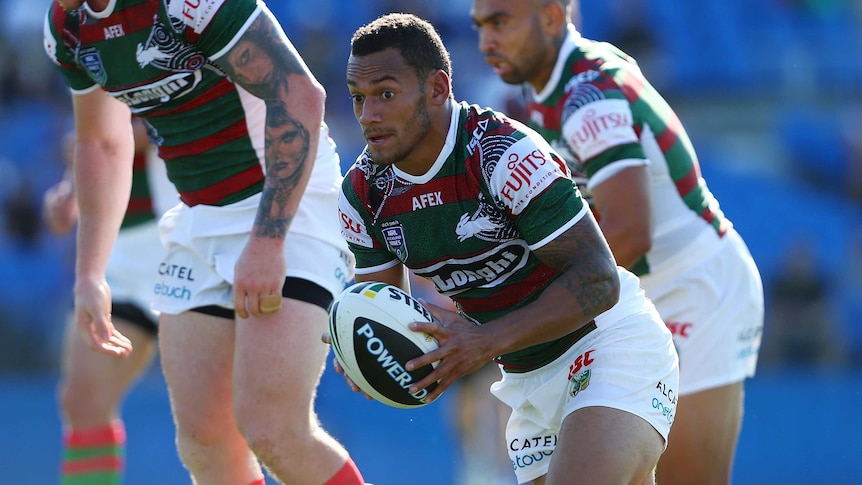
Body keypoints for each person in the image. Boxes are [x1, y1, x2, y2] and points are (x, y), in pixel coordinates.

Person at [332, 13, 679, 485]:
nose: (369, 115)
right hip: (524, 380)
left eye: (386, 95)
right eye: (358, 98)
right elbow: (383, 311)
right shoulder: (363, 193)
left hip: (608, 345)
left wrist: (484, 339)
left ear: (437, 88)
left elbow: (599, 279)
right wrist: (367, 353)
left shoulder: (501, 153)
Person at [43, 1, 364, 484]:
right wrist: (89, 273)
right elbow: (102, 143)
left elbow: (300, 93)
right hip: (198, 219)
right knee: (204, 443)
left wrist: (267, 241)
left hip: (287, 209)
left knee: (273, 430)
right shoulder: (67, 26)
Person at [468, 1, 765, 483]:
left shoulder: (587, 96)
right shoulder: (553, 84)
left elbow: (629, 231)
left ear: (549, 18)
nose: (485, 42)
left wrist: (525, 316)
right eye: (480, 25)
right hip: (631, 296)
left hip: (693, 288)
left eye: (500, 23)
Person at [44, 120, 176, 484]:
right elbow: (90, 145)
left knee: (218, 420)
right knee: (82, 403)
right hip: (115, 260)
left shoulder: (167, 61)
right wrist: (67, 193)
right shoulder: (88, 68)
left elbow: (173, 118)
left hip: (183, 246)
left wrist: (102, 138)